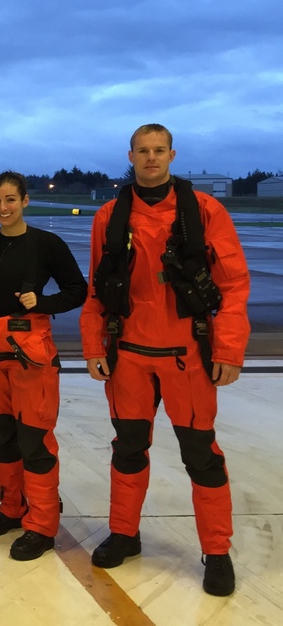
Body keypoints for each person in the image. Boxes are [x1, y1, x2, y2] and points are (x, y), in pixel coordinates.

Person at [81, 124, 250, 596]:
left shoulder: (204, 211)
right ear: (130, 155)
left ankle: (216, 551)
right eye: (143, 151)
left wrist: (230, 348)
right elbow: (98, 290)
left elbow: (234, 285)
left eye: (159, 151)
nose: (151, 158)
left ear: (172, 155)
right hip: (129, 356)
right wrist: (94, 346)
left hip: (188, 357)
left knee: (202, 457)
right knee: (128, 449)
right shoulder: (109, 216)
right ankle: (124, 533)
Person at [0, 171, 87, 561]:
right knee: (2, 436)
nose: (3, 208)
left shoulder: (46, 243)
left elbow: (78, 289)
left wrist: (42, 302)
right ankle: (12, 508)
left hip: (29, 356)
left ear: (25, 201)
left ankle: (43, 525)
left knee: (34, 441)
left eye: (11, 199)